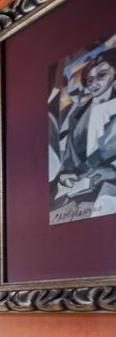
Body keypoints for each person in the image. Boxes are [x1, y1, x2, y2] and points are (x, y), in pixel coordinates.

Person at [53, 47, 116, 222]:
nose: (95, 83)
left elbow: (107, 148)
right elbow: (70, 155)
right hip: (83, 186)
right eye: (90, 79)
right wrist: (66, 174)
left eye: (102, 75)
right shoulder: (79, 115)